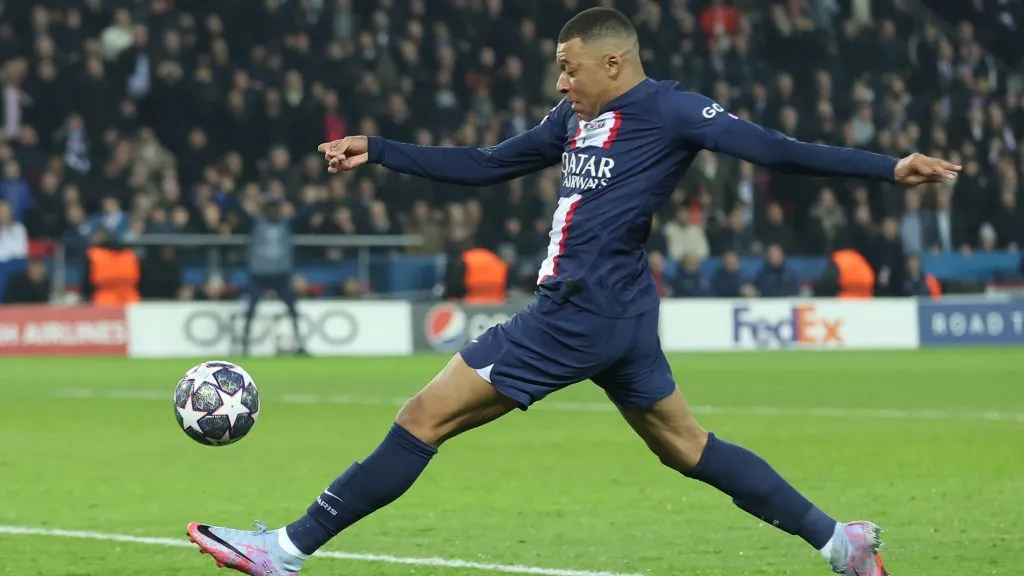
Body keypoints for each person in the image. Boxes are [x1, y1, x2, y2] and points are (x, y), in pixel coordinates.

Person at [187, 8, 958, 576]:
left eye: (570, 67)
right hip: (619, 312)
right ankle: (840, 544)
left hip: (577, 312)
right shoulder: (573, 120)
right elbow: (488, 163)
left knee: (421, 417)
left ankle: (283, 550)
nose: (561, 80)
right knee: (686, 447)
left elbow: (775, 150)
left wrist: (888, 168)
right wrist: (380, 149)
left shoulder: (671, 109)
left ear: (613, 64)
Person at [240, 197, 308, 357]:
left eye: (275, 209)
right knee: (251, 310)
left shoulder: (286, 225)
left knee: (292, 308)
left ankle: (299, 344)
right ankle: (244, 345)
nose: (272, 213)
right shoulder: (255, 224)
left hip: (281, 274)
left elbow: (304, 217)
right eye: (269, 210)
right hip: (259, 274)